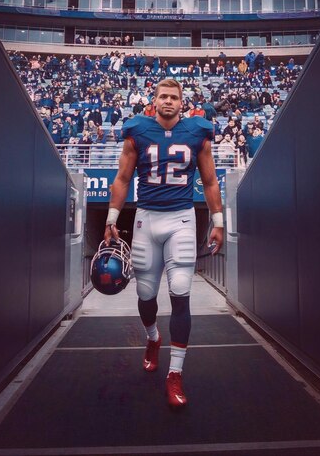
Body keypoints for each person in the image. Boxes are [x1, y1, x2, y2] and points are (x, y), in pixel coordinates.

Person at [103, 79, 223, 408]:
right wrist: (112, 218)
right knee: (145, 295)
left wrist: (218, 221)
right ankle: (153, 339)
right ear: (153, 101)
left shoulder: (197, 130)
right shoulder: (138, 129)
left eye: (174, 97)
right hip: (146, 219)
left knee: (181, 291)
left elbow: (210, 180)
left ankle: (175, 374)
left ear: (182, 103)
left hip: (182, 219)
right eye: (163, 96)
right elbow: (123, 178)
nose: (168, 101)